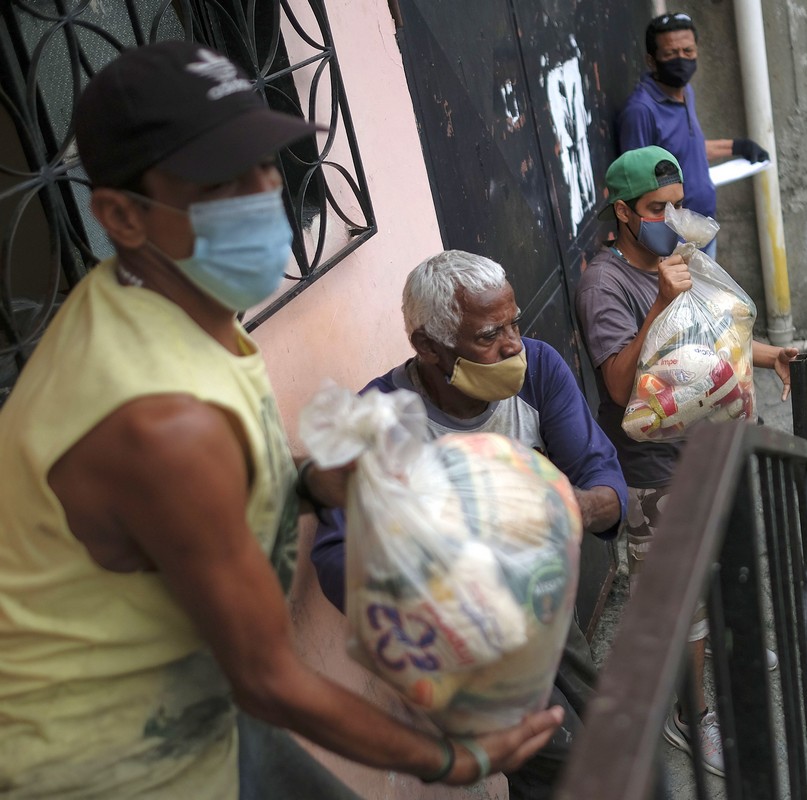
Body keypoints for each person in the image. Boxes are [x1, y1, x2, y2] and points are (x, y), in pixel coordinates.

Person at [0, 42, 559, 798]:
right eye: (222, 182)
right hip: (112, 765)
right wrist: (460, 761)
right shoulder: (158, 419)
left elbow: (187, 520)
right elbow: (270, 677)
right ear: (121, 216)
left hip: (198, 711)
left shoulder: (172, 306)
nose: (266, 193)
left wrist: (315, 486)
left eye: (266, 164)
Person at [310, 249, 627, 799]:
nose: (512, 345)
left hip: (542, 606)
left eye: (514, 323)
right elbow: (337, 558)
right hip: (457, 649)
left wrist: (569, 506)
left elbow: (602, 478)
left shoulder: (540, 369)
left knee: (601, 731)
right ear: (428, 347)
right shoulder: (380, 419)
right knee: (558, 757)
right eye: (488, 336)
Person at [575, 145, 798, 777]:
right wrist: (657, 304)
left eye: (677, 206)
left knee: (720, 566)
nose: (670, 218)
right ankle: (690, 714)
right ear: (622, 213)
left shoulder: (681, 258)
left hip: (709, 451)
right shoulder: (606, 284)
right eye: (655, 209)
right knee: (681, 606)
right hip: (655, 474)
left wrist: (765, 354)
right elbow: (621, 388)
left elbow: (710, 341)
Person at [617, 11, 769, 254]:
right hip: (672, 243)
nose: (681, 59)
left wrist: (737, 147)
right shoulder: (640, 111)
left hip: (701, 230)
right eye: (670, 54)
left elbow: (685, 148)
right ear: (651, 60)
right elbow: (635, 185)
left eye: (688, 51)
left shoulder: (686, 91)